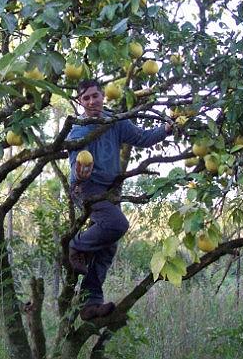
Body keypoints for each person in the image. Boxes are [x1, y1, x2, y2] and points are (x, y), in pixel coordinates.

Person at [67, 79, 172, 321]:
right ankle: (75, 245)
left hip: (108, 190)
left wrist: (166, 130)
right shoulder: (81, 128)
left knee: (108, 246)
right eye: (86, 98)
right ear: (80, 102)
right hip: (85, 188)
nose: (92, 101)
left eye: (95, 96)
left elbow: (142, 138)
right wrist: (79, 174)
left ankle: (90, 303)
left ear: (103, 96)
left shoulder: (116, 121)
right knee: (117, 225)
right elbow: (75, 159)